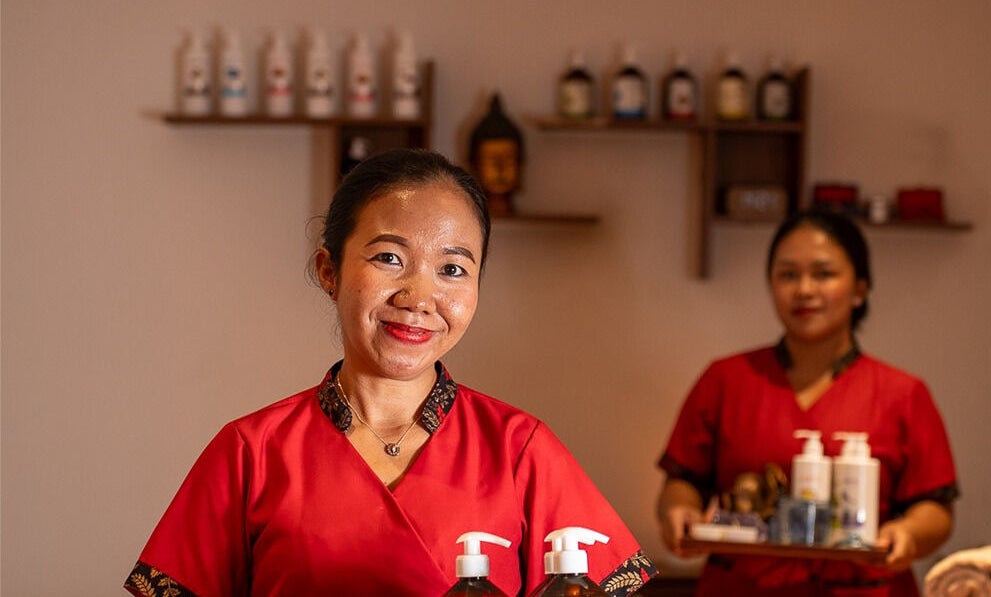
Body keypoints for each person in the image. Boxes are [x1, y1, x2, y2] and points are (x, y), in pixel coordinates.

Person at [126, 148, 656, 597]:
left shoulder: (521, 449)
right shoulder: (250, 452)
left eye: (452, 269)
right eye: (388, 258)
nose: (419, 297)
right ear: (329, 271)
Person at [655, 209, 958, 596]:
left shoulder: (902, 393)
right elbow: (682, 482)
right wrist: (678, 513)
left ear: (860, 289)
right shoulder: (726, 380)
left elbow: (935, 508)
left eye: (823, 273)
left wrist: (908, 534)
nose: (804, 290)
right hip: (743, 587)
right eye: (787, 275)